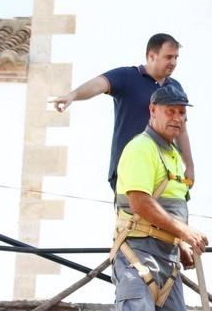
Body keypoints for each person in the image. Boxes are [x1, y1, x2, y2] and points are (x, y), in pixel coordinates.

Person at [92, 85, 208, 311]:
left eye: (182, 112)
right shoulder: (141, 148)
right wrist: (185, 233)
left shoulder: (172, 155)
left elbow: (171, 204)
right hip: (137, 252)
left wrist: (180, 241)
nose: (178, 117)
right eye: (171, 110)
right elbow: (141, 202)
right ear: (153, 110)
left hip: (167, 256)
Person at [51, 33, 194, 192]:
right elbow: (98, 84)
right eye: (168, 57)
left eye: (176, 57)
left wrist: (189, 166)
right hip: (130, 168)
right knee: (135, 217)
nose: (173, 62)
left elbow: (181, 131)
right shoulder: (128, 77)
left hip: (164, 173)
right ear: (152, 56)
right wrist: (73, 95)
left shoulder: (176, 88)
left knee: (167, 216)